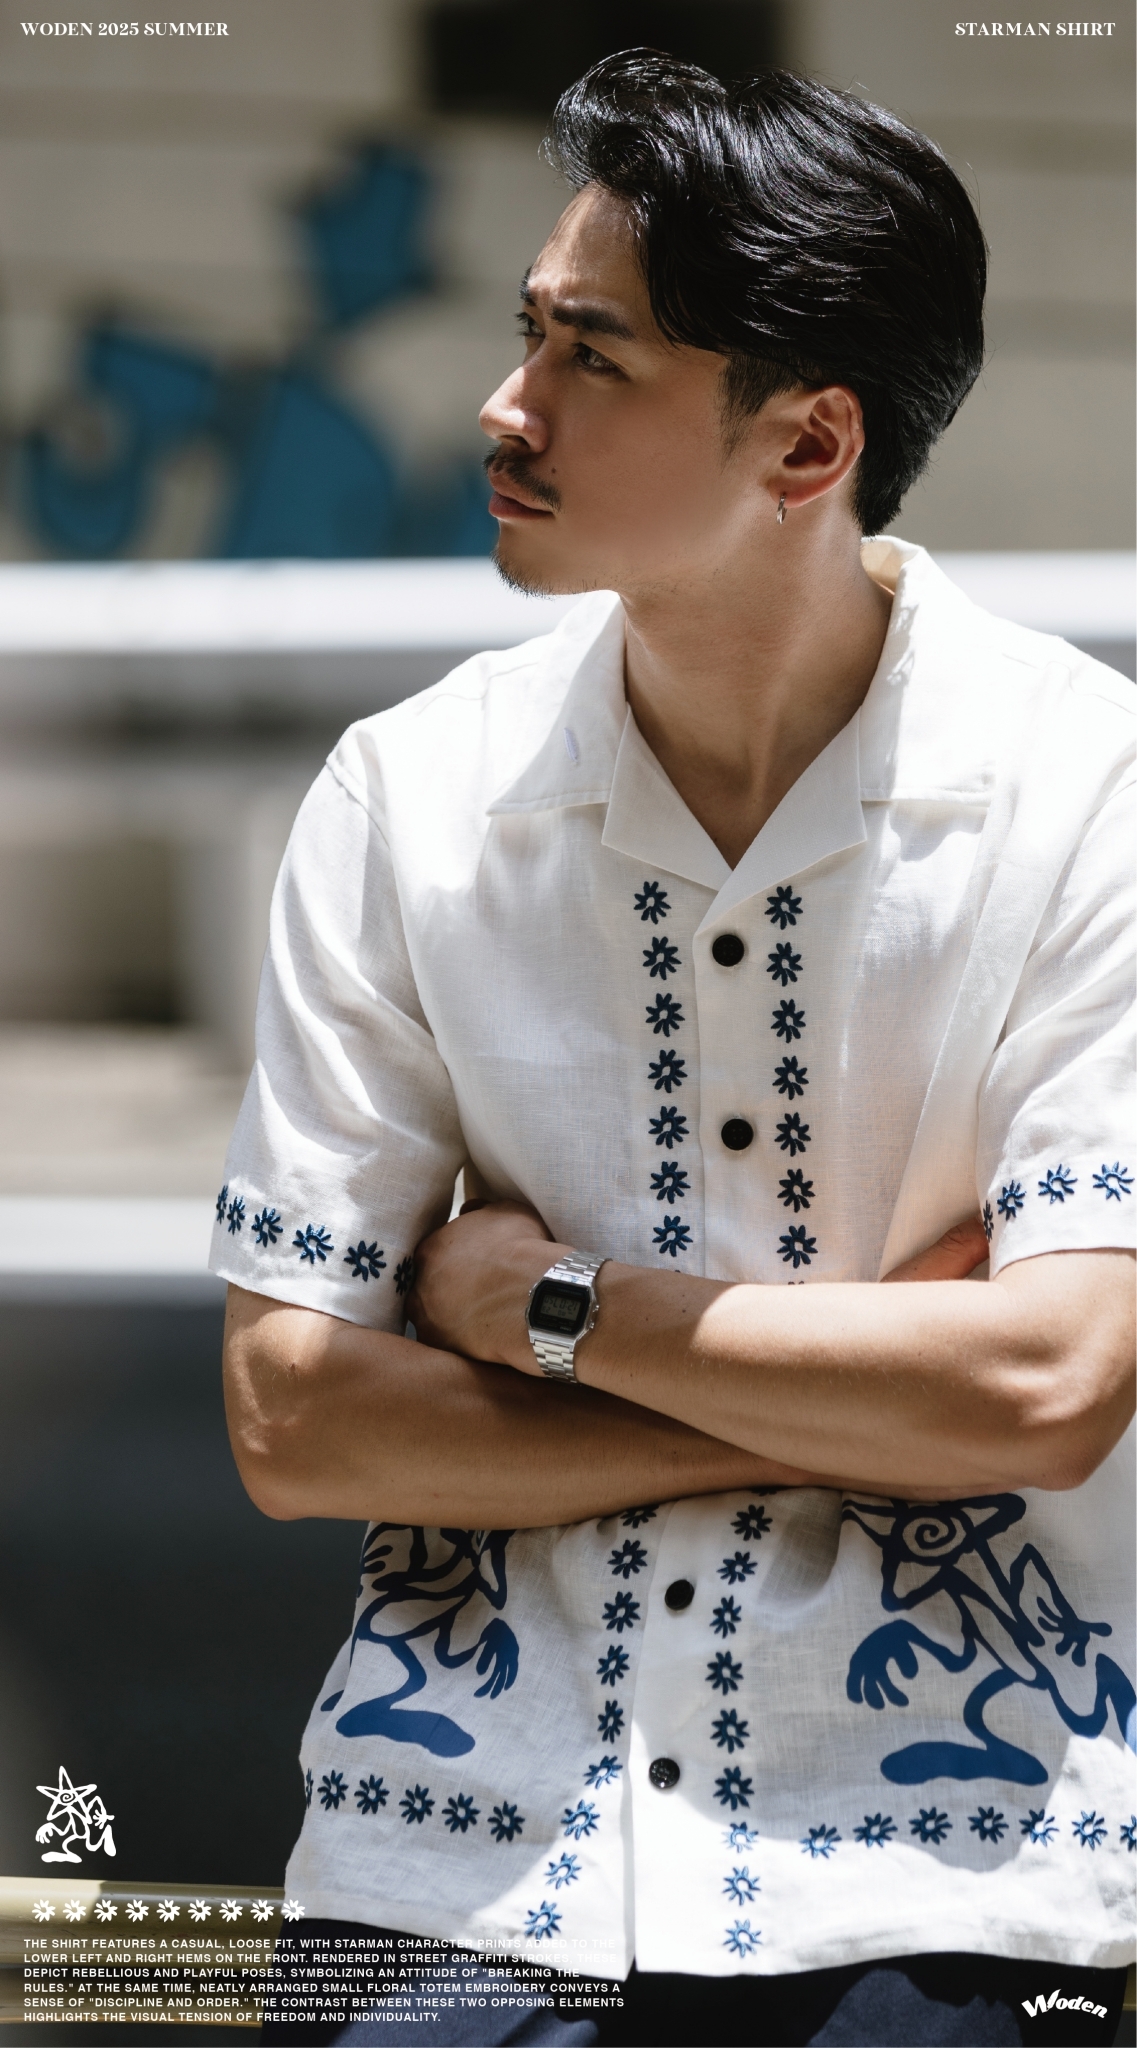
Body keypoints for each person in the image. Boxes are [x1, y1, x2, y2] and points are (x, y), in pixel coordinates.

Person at [211, 52, 1135, 2048]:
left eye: (591, 355)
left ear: (804, 443)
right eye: (525, 333)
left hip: (942, 1865)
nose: (505, 404)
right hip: (452, 1849)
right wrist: (860, 1396)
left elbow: (1049, 1383)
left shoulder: (1085, 793)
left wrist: (537, 1309)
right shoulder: (407, 796)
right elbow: (291, 1420)